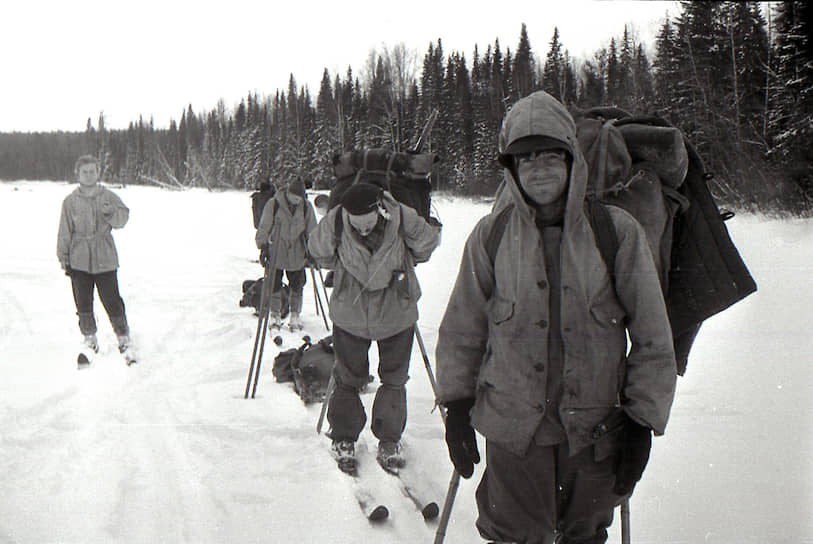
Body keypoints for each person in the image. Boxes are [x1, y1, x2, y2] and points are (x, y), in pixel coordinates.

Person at [435, 91, 677, 544]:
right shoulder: (491, 236)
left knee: (584, 536)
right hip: (513, 434)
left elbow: (652, 336)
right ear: (512, 170)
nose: (540, 169)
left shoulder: (616, 232)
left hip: (594, 434)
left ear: (571, 160)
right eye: (526, 160)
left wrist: (643, 422)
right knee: (512, 535)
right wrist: (457, 406)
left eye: (551, 155)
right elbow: (463, 330)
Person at [308, 182, 441, 474]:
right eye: (357, 225)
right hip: (351, 315)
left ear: (380, 209)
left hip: (395, 313)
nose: (363, 230)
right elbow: (319, 250)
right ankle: (344, 437)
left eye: (368, 225)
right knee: (347, 377)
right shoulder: (338, 220)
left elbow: (426, 245)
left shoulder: (401, 217)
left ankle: (389, 440)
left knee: (394, 379)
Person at [57, 155, 133, 359]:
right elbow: (64, 231)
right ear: (78, 174)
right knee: (82, 301)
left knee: (111, 299)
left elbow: (123, 219)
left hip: (105, 256)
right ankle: (90, 338)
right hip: (79, 257)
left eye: (92, 171)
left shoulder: (107, 196)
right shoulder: (70, 201)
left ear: (98, 173)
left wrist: (110, 214)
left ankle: (123, 336)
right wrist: (64, 257)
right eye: (85, 172)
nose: (89, 175)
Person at [255, 178, 317, 330]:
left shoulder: (306, 207)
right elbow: (264, 227)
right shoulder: (274, 204)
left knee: (298, 285)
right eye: (294, 197)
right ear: (288, 193)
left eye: (299, 198)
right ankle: (275, 314)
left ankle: (295, 314)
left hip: (297, 251)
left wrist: (314, 251)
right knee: (274, 284)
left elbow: (312, 230)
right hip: (277, 250)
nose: (297, 200)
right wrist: (263, 247)